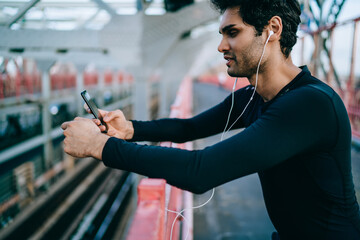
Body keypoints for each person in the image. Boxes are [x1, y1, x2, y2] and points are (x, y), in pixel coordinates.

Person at [61, 0, 360, 239]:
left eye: (232, 32)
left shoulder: (310, 105)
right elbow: (188, 127)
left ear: (273, 28)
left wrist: (101, 147)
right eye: (221, 35)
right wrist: (129, 129)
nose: (221, 46)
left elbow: (200, 171)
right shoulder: (257, 96)